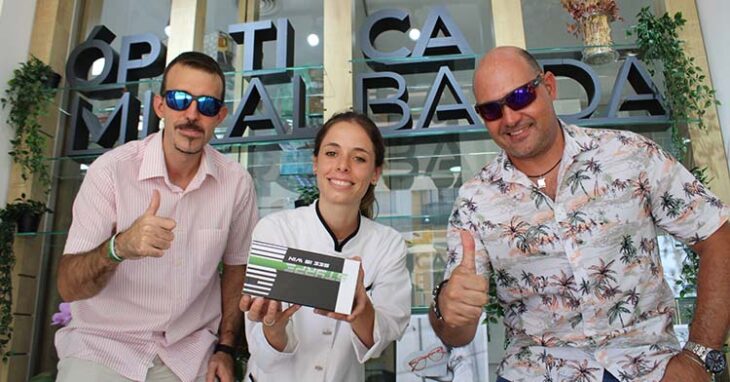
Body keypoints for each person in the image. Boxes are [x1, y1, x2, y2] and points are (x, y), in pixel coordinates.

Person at [429, 46, 730, 382]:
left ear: (549, 86)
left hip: (650, 367)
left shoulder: (629, 154)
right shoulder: (475, 199)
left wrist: (699, 354)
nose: (510, 118)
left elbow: (718, 235)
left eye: (520, 96)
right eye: (491, 109)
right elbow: (456, 333)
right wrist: (447, 310)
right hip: (536, 372)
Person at [55, 51, 258, 382]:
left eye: (206, 105)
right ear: (160, 106)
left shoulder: (235, 183)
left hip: (187, 353)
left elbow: (237, 270)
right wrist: (119, 247)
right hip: (103, 348)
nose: (192, 114)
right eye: (180, 100)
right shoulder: (112, 171)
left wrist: (226, 349)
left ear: (219, 116)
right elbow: (68, 285)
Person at [239, 111, 411, 381]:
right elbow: (261, 348)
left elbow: (386, 333)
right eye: (332, 153)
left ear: (376, 173)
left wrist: (361, 310)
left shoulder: (388, 244)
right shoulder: (275, 230)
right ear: (315, 163)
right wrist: (274, 329)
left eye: (359, 158)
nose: (343, 166)